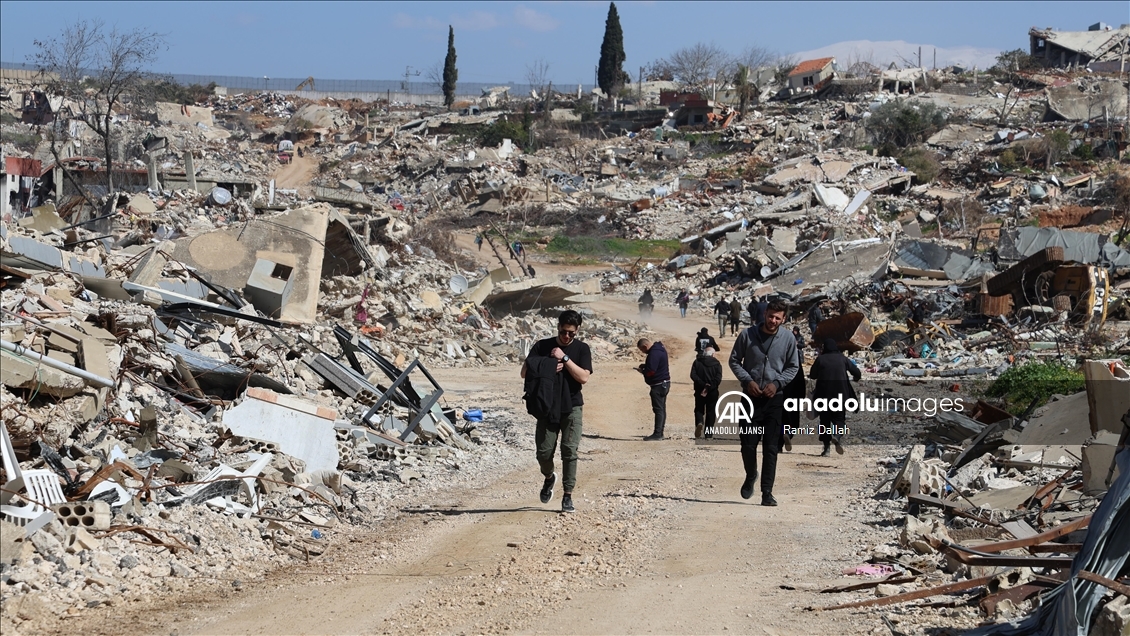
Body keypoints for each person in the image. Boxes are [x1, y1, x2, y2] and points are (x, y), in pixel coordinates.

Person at [520, 310, 593, 513]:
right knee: (543, 453)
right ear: (558, 327)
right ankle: (549, 477)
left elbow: (584, 377)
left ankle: (567, 495)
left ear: (577, 330)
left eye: (571, 333)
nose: (566, 336)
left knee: (569, 450)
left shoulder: (582, 349)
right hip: (547, 406)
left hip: (572, 407)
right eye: (563, 331)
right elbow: (524, 372)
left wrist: (565, 358)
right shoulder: (542, 346)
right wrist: (548, 365)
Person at [729, 301, 799, 507]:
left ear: (783, 319)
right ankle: (751, 474)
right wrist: (747, 381)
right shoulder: (747, 335)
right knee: (748, 444)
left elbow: (793, 366)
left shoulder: (788, 338)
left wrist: (777, 384)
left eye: (778, 318)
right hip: (750, 398)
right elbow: (734, 360)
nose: (773, 321)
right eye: (771, 316)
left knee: (770, 448)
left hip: (773, 400)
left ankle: (767, 492)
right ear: (765, 314)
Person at [809, 337, 861, 457]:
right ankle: (837, 436)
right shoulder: (842, 358)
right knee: (839, 419)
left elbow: (813, 375)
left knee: (824, 421)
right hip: (840, 395)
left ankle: (826, 449)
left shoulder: (820, 359)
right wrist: (856, 378)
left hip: (823, 395)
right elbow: (856, 372)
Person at [636, 338, 670, 441]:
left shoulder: (653, 353)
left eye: (642, 350)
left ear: (645, 346)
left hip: (658, 385)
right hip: (664, 383)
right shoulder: (660, 349)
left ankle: (658, 433)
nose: (643, 352)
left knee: (658, 410)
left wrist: (643, 371)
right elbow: (656, 365)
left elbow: (651, 371)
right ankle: (660, 432)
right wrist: (646, 366)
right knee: (661, 409)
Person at [690, 347, 723, 439]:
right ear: (712, 354)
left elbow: (693, 375)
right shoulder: (717, 364)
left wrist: (703, 384)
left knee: (699, 408)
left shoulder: (697, 362)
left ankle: (699, 422)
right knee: (711, 411)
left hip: (699, 390)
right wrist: (710, 386)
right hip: (712, 391)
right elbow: (718, 378)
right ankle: (708, 434)